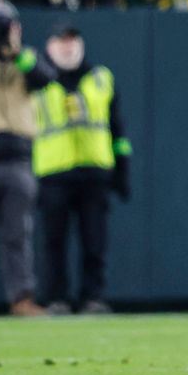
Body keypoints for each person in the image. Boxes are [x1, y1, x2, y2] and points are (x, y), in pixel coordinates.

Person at [33, 24, 131, 314]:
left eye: (73, 40)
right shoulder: (38, 81)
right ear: (49, 46)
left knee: (94, 240)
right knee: (54, 241)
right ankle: (56, 298)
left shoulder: (101, 77)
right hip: (54, 170)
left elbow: (117, 127)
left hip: (94, 170)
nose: (68, 46)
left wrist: (122, 170)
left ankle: (93, 297)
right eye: (61, 40)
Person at [0, 0, 56, 316]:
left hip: (18, 159)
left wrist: (15, 49)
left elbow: (46, 77)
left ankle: (22, 299)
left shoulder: (24, 58)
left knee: (18, 234)